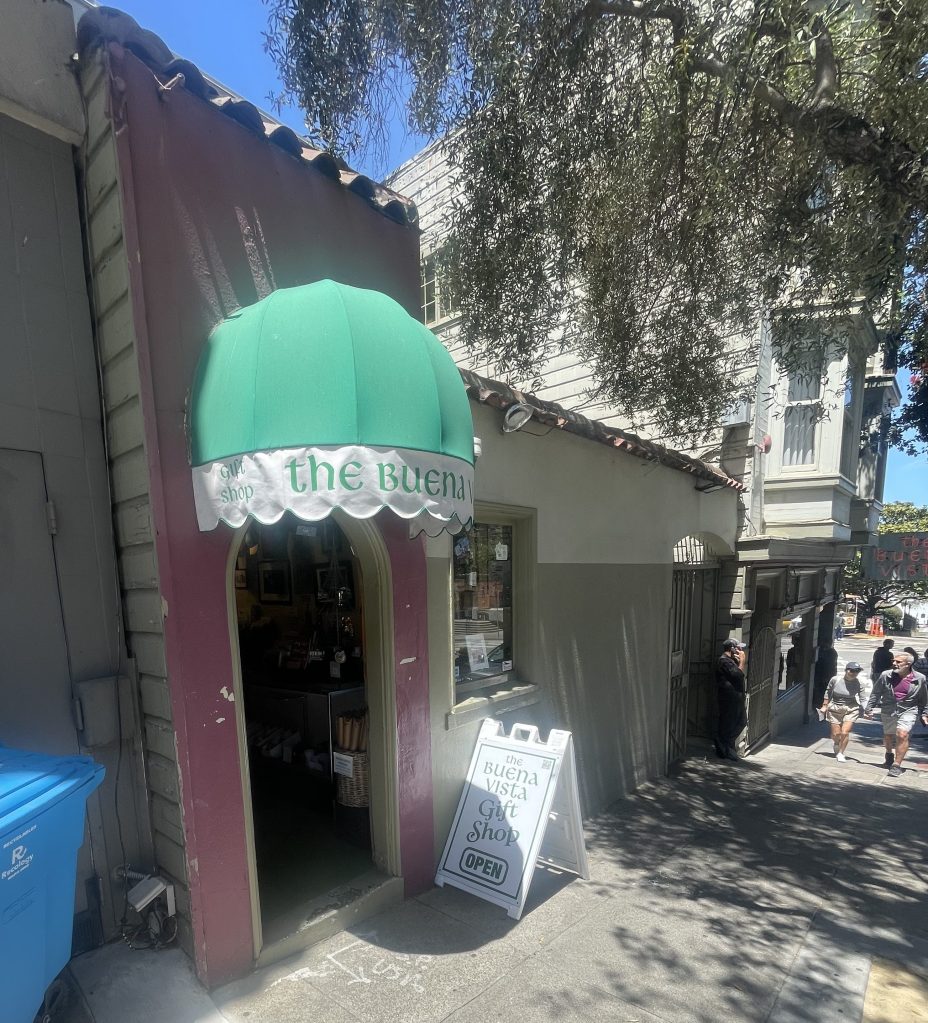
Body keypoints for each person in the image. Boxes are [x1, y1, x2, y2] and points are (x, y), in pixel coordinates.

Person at [864, 651, 928, 777]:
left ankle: (896, 765)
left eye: (898, 662)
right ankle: (889, 753)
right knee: (888, 736)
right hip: (889, 709)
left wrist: (925, 713)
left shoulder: (919, 678)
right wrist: (868, 709)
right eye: (893, 661)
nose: (894, 663)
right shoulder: (885, 675)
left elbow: (924, 697)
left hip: (908, 710)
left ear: (908, 664)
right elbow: (876, 693)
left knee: (902, 734)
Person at [819, 662, 864, 762]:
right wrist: (825, 705)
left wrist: (867, 710)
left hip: (851, 708)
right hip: (835, 708)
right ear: (846, 670)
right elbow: (828, 691)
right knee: (836, 734)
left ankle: (841, 753)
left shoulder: (859, 683)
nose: (854, 673)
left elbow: (863, 698)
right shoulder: (835, 679)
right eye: (852, 670)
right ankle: (836, 743)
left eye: (857, 671)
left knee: (845, 732)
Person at [715, 639, 747, 761]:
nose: (741, 651)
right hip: (729, 698)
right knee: (728, 723)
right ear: (732, 649)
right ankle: (724, 747)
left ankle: (726, 745)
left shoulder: (730, 661)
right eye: (738, 648)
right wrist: (742, 662)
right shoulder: (724, 661)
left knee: (741, 721)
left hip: (736, 697)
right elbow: (738, 675)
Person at [813, 641, 838, 709]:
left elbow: (830, 666)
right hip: (824, 675)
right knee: (822, 690)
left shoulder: (831, 653)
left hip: (825, 675)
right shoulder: (832, 652)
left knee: (823, 690)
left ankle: (821, 703)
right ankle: (820, 703)